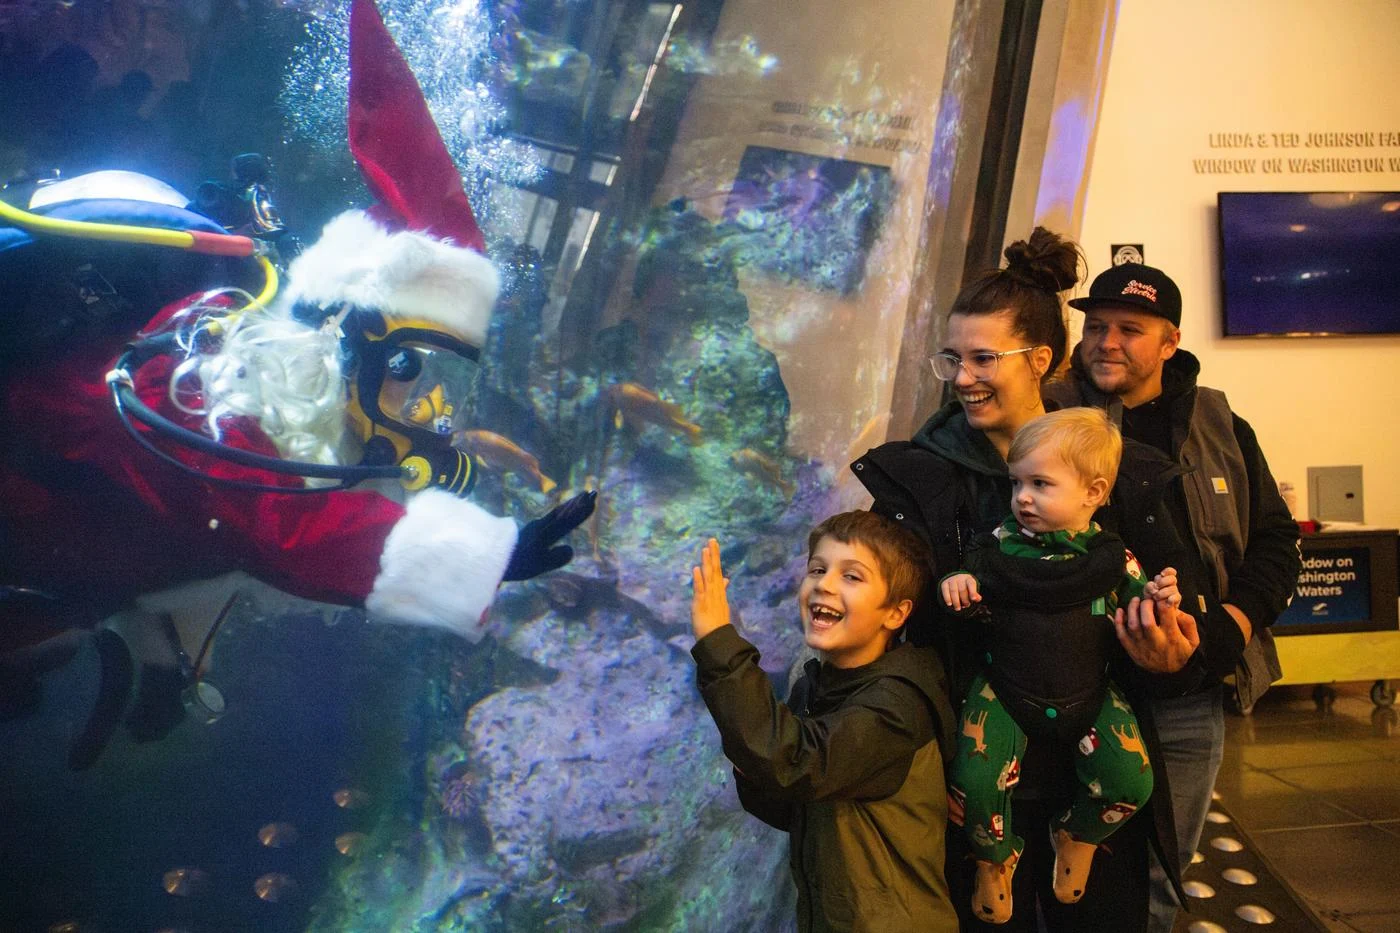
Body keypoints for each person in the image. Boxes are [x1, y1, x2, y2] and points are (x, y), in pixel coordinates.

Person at [0, 0, 593, 767]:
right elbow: (263, 517)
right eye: (411, 371)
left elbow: (187, 529)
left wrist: (155, 660)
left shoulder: (255, 403)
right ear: (357, 342)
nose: (426, 408)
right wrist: (480, 557)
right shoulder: (198, 370)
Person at [851, 227, 1199, 932]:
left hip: (1093, 762)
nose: (962, 376)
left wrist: (1171, 650)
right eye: (952, 357)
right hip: (972, 770)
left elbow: (1172, 608)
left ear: (1042, 359)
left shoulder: (1121, 472)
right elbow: (896, 626)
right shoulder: (915, 478)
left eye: (985, 357)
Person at [1048, 261, 1302, 933]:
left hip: (1188, 698)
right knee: (1069, 869)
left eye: (1130, 329)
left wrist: (1230, 628)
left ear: (1170, 341)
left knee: (1165, 874)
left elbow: (1276, 543)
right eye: (1095, 326)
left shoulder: (1221, 422)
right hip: (1075, 693)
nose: (1106, 341)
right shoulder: (1050, 416)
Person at [939, 408, 1179, 923]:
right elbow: (963, 584)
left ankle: (1078, 835)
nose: (1022, 497)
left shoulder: (1116, 559)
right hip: (1002, 691)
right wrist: (955, 586)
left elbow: (1148, 613)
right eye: (1017, 482)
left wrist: (1161, 600)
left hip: (1089, 691)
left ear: (1093, 492)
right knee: (975, 784)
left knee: (1131, 781)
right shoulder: (996, 546)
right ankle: (995, 860)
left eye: (1040, 483)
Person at [689, 512, 959, 932]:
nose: (825, 584)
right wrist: (755, 764)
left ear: (896, 613)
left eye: (852, 576)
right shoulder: (817, 687)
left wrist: (719, 643)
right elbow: (798, 806)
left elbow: (799, 764)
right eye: (817, 568)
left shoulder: (897, 707)